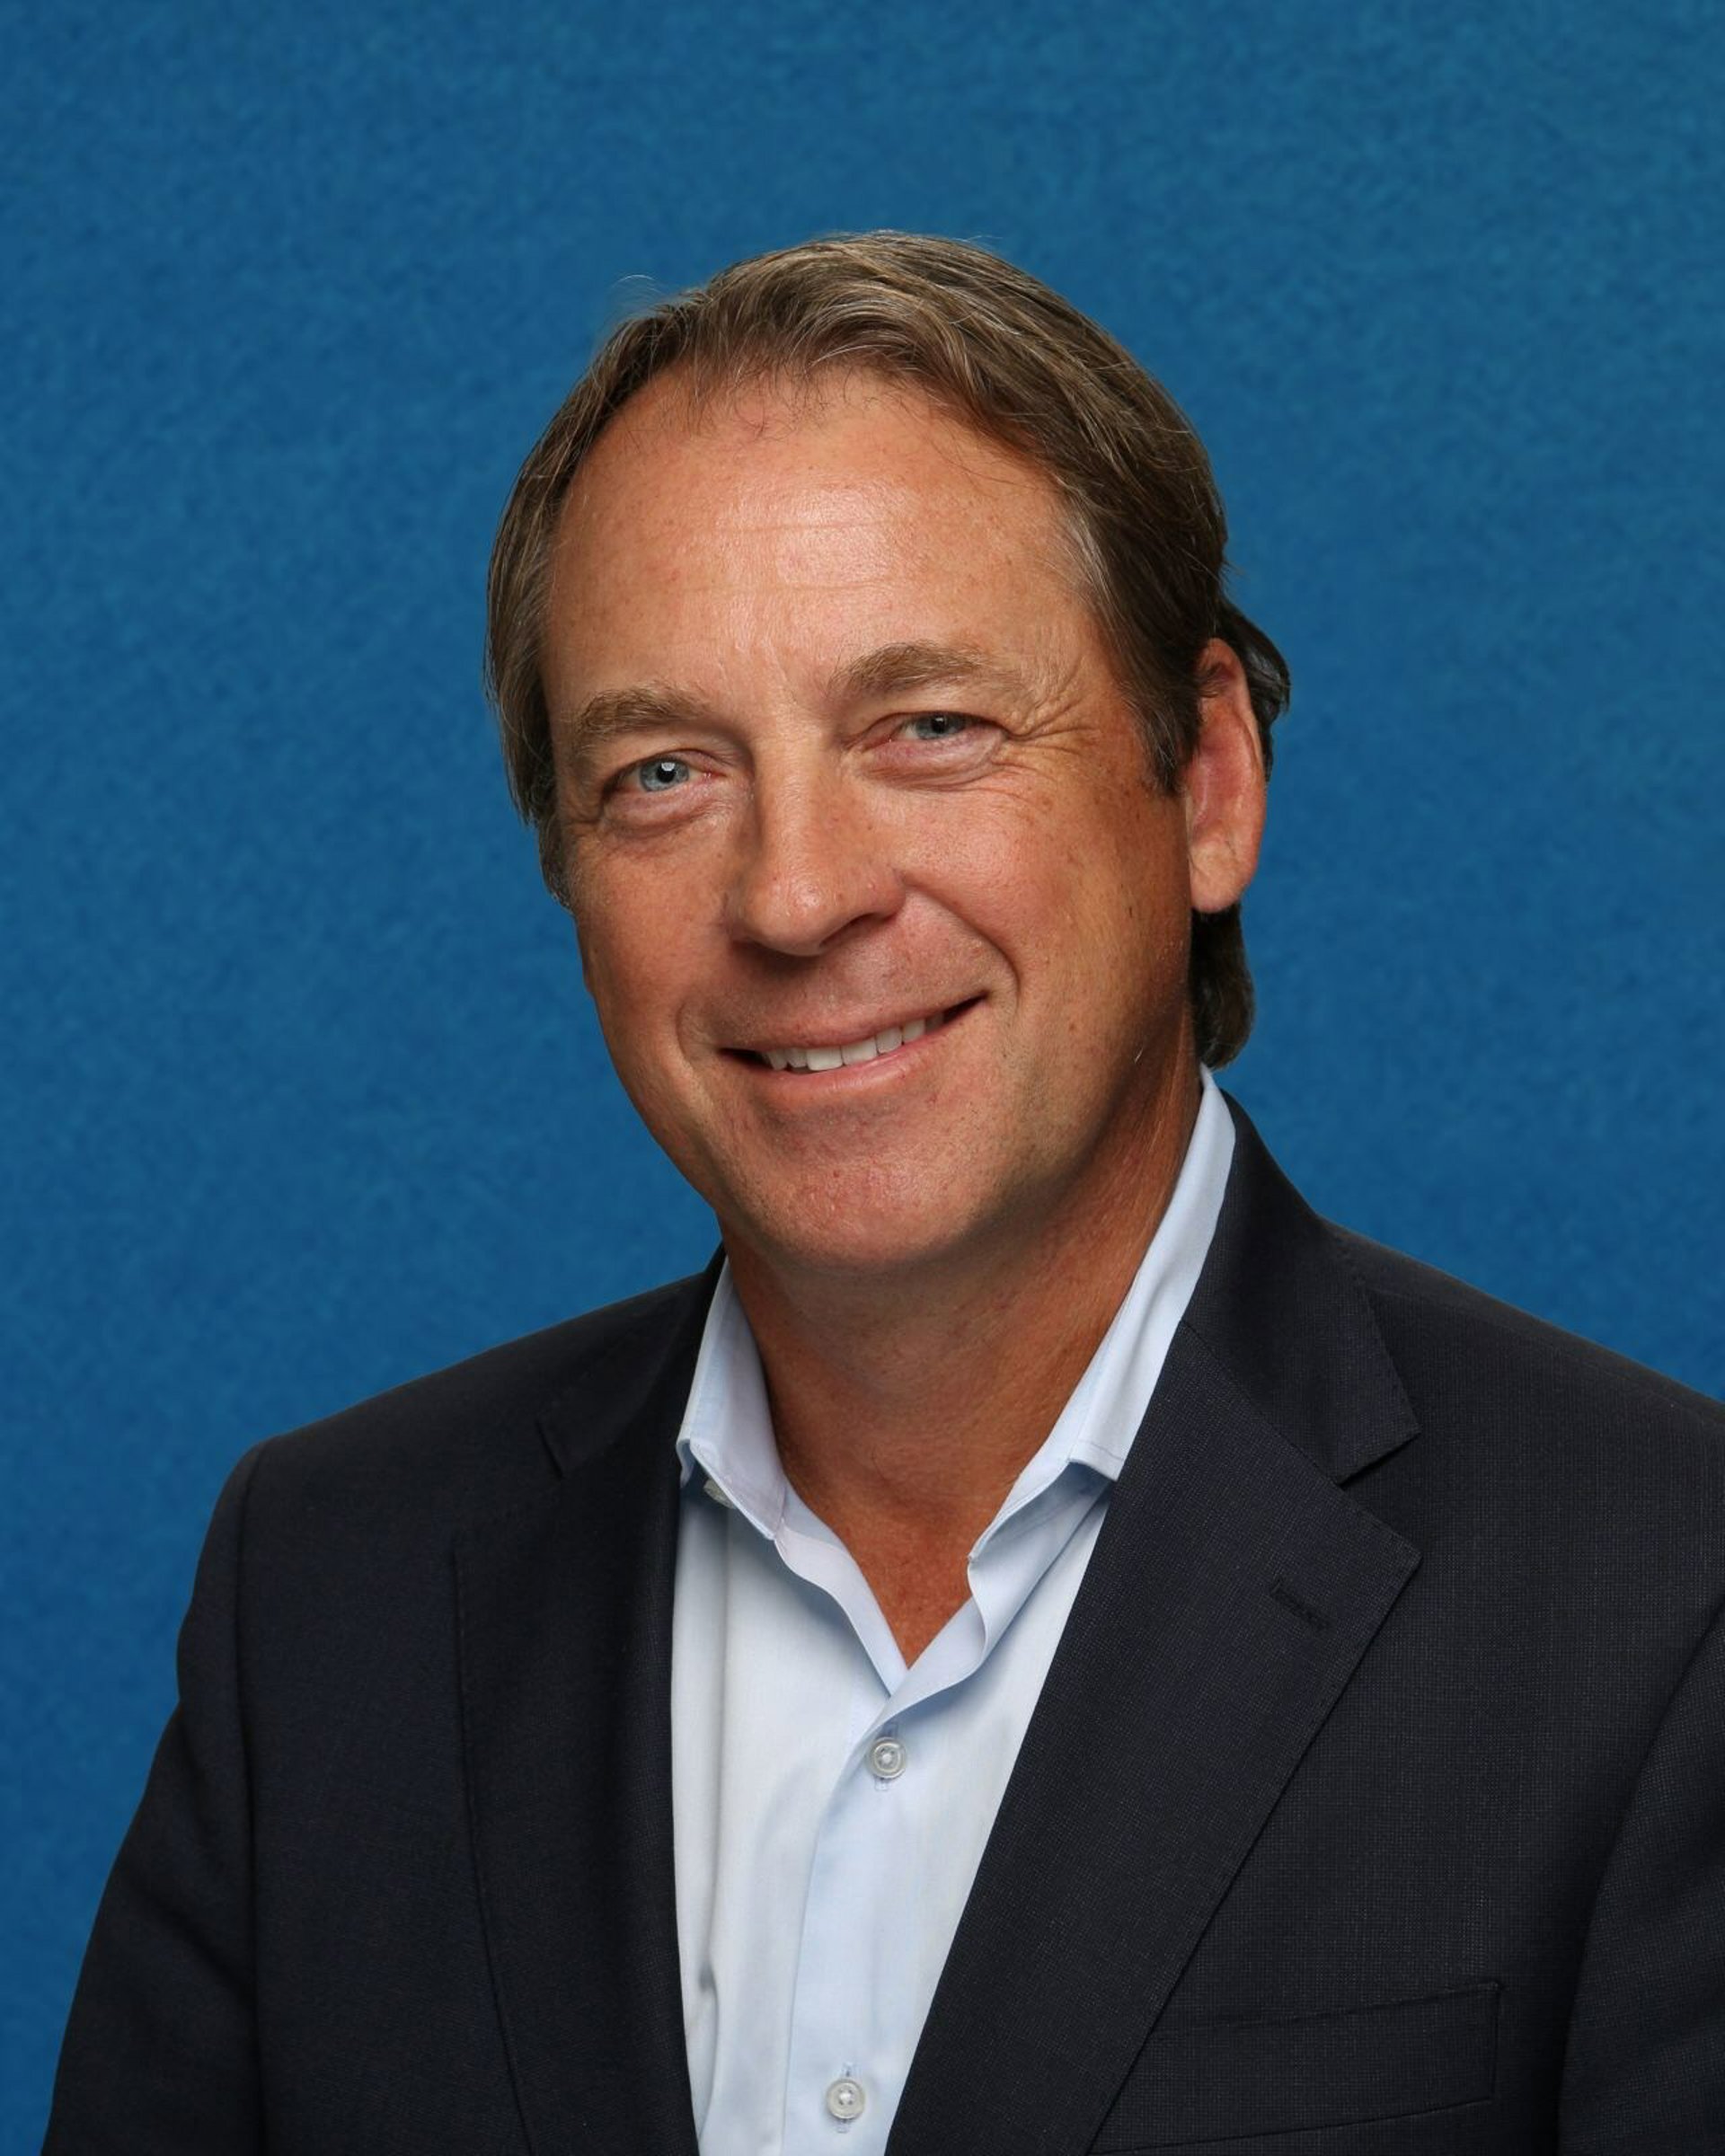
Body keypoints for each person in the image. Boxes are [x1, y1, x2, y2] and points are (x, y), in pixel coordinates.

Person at [45, 233, 1724, 2155]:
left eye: (927, 728)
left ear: (1206, 784)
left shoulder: (1668, 1604)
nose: (795, 894)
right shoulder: (329, 1596)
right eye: (664, 771)